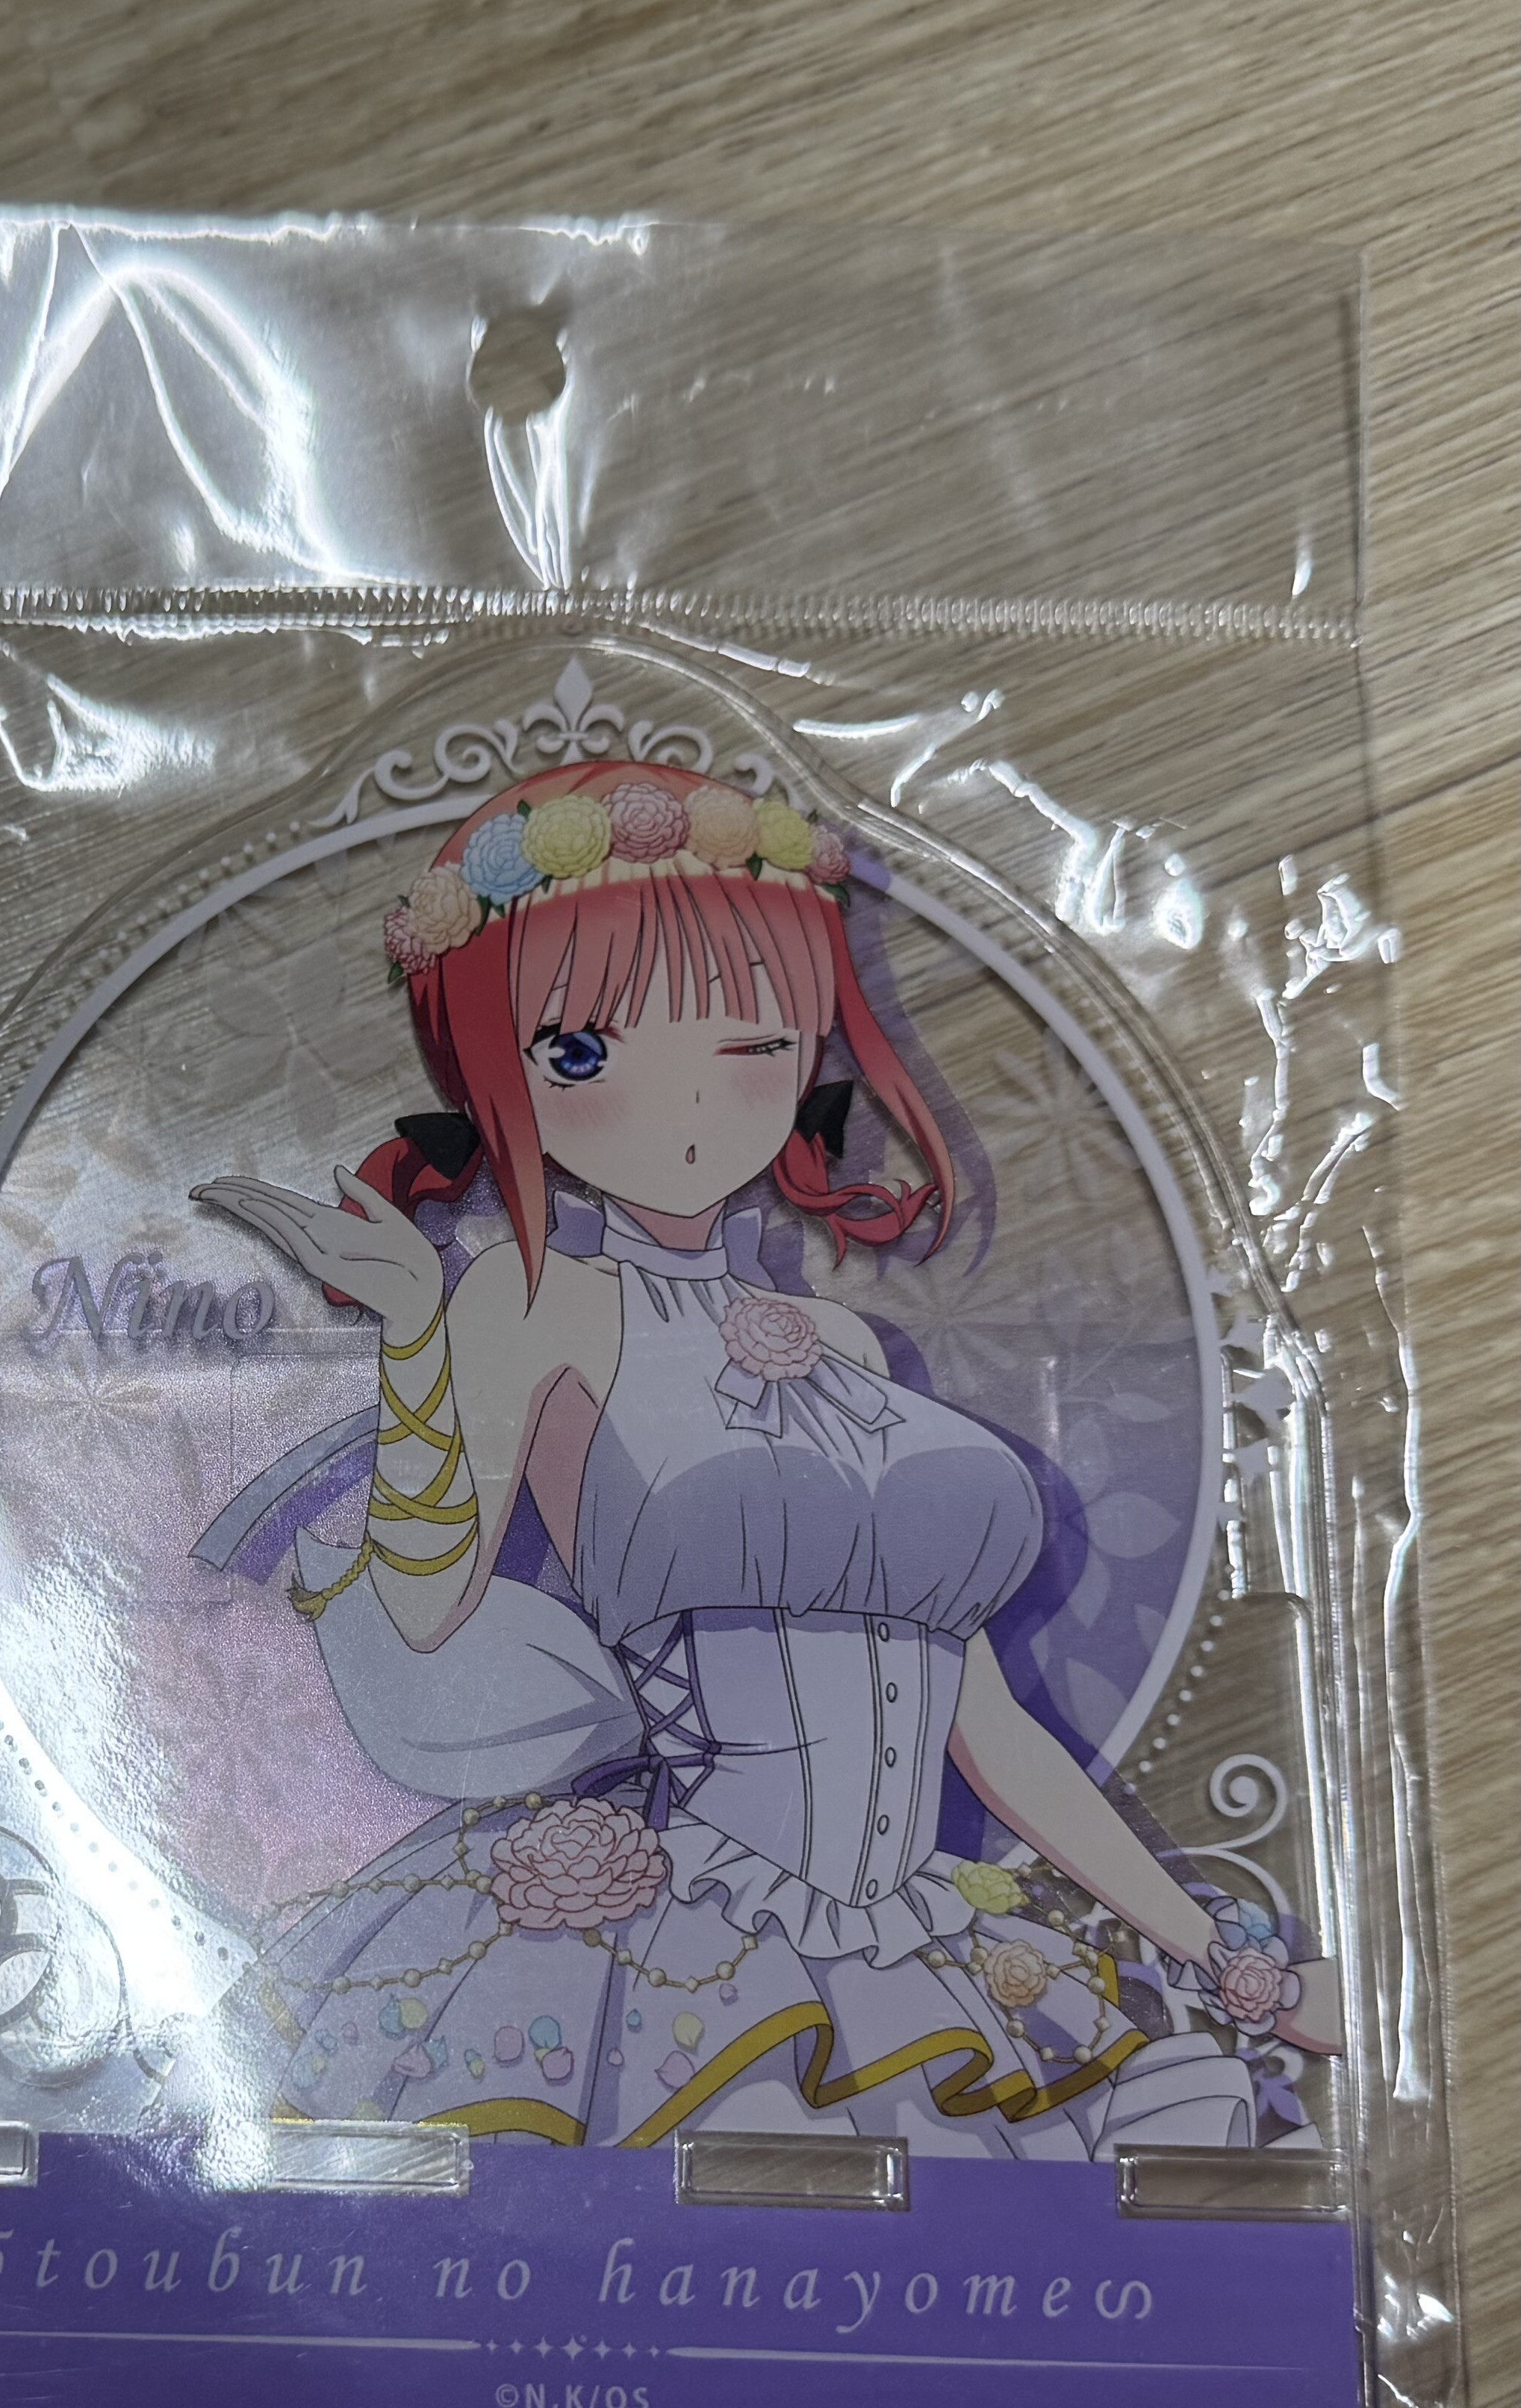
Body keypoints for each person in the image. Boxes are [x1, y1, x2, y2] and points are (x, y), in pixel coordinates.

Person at [194, 759, 1337, 2156]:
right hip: (695, 1931)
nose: (685, 1101)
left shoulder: (845, 1347)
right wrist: (415, 1334)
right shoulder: (532, 1296)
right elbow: (427, 1607)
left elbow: (985, 1729)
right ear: (501, 1074)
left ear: (805, 1054)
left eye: (746, 1041)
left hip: (912, 1933)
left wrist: (1234, 1965)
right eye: (583, 1054)